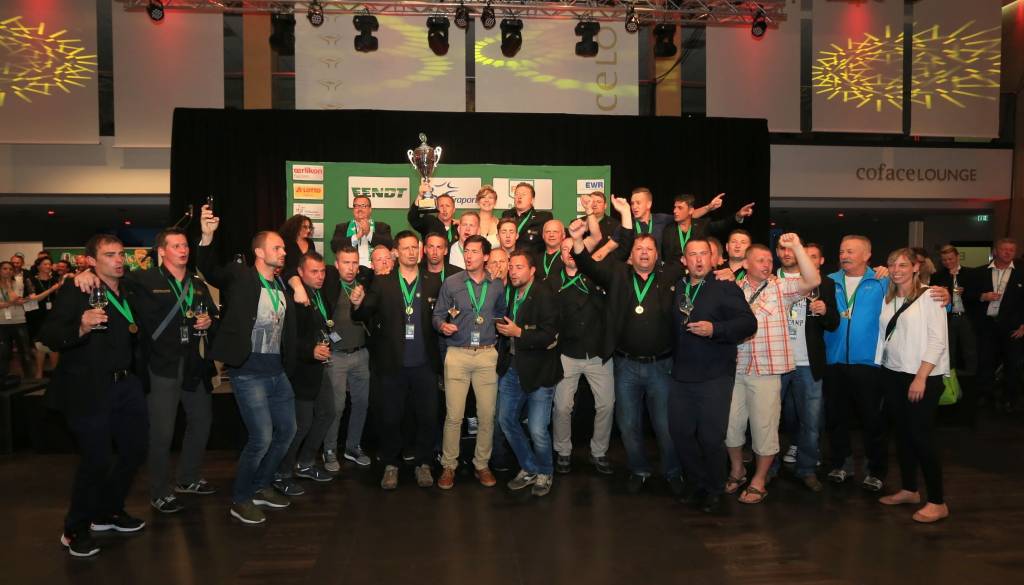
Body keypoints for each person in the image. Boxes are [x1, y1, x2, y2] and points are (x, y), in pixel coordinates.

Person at [74, 227, 220, 514]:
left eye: (185, 245)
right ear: (162, 251)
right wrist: (82, 274)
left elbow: (212, 313)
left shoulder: (197, 282)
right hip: (160, 365)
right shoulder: (142, 279)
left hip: (194, 364)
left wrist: (208, 321)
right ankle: (160, 491)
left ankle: (188, 478)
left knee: (202, 421)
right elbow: (109, 277)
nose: (183, 250)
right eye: (176, 246)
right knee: (161, 433)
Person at [41, 235, 148, 557]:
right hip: (88, 388)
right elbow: (49, 335)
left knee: (133, 451)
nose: (118, 260)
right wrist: (81, 326)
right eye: (109, 255)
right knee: (97, 460)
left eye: (121, 254)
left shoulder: (129, 289)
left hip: (126, 385)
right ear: (91, 260)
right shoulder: (77, 289)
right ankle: (74, 529)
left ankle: (108, 511)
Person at [196, 206, 298, 525]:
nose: (283, 252)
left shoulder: (280, 285)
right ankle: (240, 499)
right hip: (248, 373)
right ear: (259, 252)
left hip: (277, 373)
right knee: (261, 438)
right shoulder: (240, 276)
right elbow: (209, 269)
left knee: (288, 431)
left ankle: (261, 485)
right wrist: (207, 236)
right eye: (277, 247)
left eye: (284, 248)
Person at [823, 235, 949, 491]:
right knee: (836, 419)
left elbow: (927, 304)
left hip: (871, 365)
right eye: (842, 250)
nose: (844, 255)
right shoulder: (828, 282)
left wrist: (946, 296)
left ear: (867, 255)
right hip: (836, 362)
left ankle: (876, 471)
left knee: (874, 421)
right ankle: (841, 465)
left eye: (851, 251)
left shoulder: (883, 280)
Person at [570, 218, 685, 496]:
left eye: (649, 249)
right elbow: (588, 266)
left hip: (661, 366)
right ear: (631, 255)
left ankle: (673, 472)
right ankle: (639, 469)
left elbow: (698, 268)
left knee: (665, 426)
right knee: (629, 424)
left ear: (656, 255)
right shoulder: (618, 274)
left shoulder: (669, 275)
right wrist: (576, 240)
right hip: (625, 366)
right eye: (639, 249)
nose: (644, 253)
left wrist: (725, 270)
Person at [724, 236, 820, 505]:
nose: (767, 264)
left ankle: (759, 480)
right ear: (745, 263)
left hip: (767, 370)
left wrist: (797, 247)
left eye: (769, 260)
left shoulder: (780, 288)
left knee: (764, 428)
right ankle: (737, 470)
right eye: (760, 260)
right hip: (736, 369)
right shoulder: (732, 289)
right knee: (731, 426)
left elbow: (813, 280)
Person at [669, 239, 757, 514]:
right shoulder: (679, 287)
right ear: (684, 260)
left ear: (713, 258)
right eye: (692, 255)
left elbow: (748, 323)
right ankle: (696, 482)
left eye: (703, 254)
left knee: (710, 437)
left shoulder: (725, 286)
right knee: (681, 434)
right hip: (681, 374)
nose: (698, 260)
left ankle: (715, 488)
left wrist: (715, 329)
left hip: (715, 375)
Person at [352, 231, 444, 489]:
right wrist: (357, 303)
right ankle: (390, 464)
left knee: (427, 417)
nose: (412, 252)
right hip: (392, 363)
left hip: (425, 364)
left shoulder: (433, 281)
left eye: (415, 247)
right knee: (390, 417)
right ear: (396, 252)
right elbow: (362, 313)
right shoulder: (382, 282)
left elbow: (443, 316)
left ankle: (423, 463)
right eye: (406, 248)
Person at [875, 248, 950, 523]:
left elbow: (938, 341)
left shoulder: (931, 296)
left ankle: (938, 502)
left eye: (903, 265)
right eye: (892, 265)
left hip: (922, 377)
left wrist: (920, 377)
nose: (897, 270)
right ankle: (909, 489)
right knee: (903, 436)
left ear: (916, 267)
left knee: (922, 438)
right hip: (893, 374)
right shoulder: (889, 298)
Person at [432, 235, 507, 490]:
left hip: (486, 355)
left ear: (485, 256)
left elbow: (501, 314)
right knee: (454, 416)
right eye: (466, 251)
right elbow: (437, 315)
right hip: (457, 354)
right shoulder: (451, 283)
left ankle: (481, 464)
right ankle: (449, 466)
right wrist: (442, 326)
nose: (469, 256)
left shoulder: (496, 285)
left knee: (486, 415)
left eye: (475, 251)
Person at [773, 241, 839, 492]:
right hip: (776, 361)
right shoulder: (769, 280)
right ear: (777, 253)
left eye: (791, 248)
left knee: (811, 422)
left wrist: (824, 311)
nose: (787, 253)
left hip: (808, 363)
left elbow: (833, 323)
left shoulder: (822, 283)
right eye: (782, 249)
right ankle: (768, 469)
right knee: (770, 420)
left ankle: (808, 469)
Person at [496, 251, 562, 496]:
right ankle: (529, 467)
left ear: (532, 270)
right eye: (511, 267)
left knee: (536, 429)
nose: (513, 271)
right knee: (506, 420)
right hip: (513, 367)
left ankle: (545, 472)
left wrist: (519, 333)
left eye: (519, 267)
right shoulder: (511, 292)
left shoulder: (545, 295)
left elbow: (550, 336)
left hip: (540, 372)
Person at [272, 251, 338, 496]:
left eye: (322, 272)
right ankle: (282, 474)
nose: (320, 276)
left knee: (328, 413)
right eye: (314, 272)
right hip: (299, 372)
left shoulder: (320, 294)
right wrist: (310, 350)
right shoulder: (294, 298)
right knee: (300, 425)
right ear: (300, 273)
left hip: (319, 368)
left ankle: (305, 463)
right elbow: (286, 340)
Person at [551, 238, 615, 475]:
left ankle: (599, 452)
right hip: (566, 353)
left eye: (573, 248)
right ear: (560, 255)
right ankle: (563, 450)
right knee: (562, 407)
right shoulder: (551, 282)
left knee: (606, 405)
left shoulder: (597, 277)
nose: (569, 253)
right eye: (564, 249)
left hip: (598, 353)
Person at [321, 245, 373, 470]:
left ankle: (353, 447)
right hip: (336, 356)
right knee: (336, 406)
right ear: (336, 264)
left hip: (361, 354)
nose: (351, 268)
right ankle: (329, 449)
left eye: (354, 263)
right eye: (346, 262)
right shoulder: (328, 284)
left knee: (361, 403)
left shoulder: (364, 286)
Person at [964, 237, 1023, 412]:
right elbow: (966, 296)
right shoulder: (979, 272)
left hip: (1013, 328)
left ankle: (1009, 399)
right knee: (985, 362)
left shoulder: (1021, 273)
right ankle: (985, 396)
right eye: (1004, 249)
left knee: (1012, 364)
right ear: (995, 251)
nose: (1008, 253)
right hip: (987, 326)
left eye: (1011, 250)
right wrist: (983, 297)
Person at [931, 244, 978, 421]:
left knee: (970, 351)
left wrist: (965, 293)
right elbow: (934, 298)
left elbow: (978, 296)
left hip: (966, 316)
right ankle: (950, 383)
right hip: (947, 318)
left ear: (957, 257)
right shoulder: (938, 276)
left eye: (950, 258)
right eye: (944, 260)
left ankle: (971, 386)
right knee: (948, 350)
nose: (948, 262)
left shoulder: (970, 274)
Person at [660, 193, 750, 267]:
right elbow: (667, 258)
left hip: (700, 270)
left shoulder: (702, 225)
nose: (675, 211)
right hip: (676, 274)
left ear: (690, 211)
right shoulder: (668, 230)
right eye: (675, 207)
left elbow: (722, 225)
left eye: (680, 208)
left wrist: (738, 215)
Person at [330, 195, 393, 268]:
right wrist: (356, 237)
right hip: (352, 269)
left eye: (363, 206)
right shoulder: (342, 227)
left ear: (370, 209)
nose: (360, 209)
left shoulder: (382, 227)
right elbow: (335, 247)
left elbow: (389, 245)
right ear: (353, 210)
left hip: (375, 270)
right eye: (356, 206)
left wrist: (369, 233)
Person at [28, 257, 62, 377]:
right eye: (45, 264)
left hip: (53, 315)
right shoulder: (31, 280)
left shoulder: (55, 280)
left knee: (53, 345)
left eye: (49, 264)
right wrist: (52, 289)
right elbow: (34, 299)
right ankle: (39, 374)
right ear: (38, 266)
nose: (48, 266)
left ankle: (56, 373)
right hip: (37, 315)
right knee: (39, 345)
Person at [0, 261, 34, 378]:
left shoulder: (18, 281)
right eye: (5, 268)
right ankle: (3, 379)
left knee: (25, 351)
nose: (8, 271)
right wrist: (11, 302)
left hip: (19, 320)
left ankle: (29, 379)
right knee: (3, 353)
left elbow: (17, 299)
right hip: (1, 322)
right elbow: (14, 300)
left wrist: (8, 287)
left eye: (10, 269)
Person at [500, 182, 553, 255]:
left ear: (532, 200)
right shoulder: (507, 215)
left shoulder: (543, 218)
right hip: (508, 258)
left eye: (523, 194)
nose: (519, 197)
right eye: (517, 194)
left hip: (531, 259)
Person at [280, 214, 317, 305]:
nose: (308, 230)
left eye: (309, 227)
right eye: (304, 227)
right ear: (295, 227)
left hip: (308, 282)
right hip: (288, 282)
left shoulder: (310, 243)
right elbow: (285, 266)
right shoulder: (286, 242)